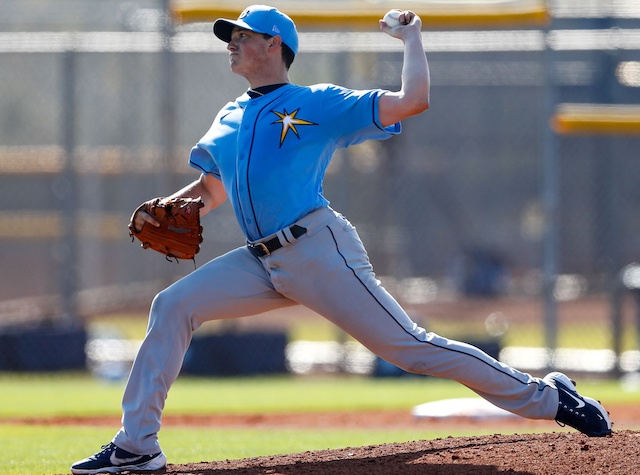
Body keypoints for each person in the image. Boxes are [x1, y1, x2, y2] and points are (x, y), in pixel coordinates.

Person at [71, 5, 611, 474]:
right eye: (228, 37)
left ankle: (551, 398)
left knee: (412, 349)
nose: (232, 43)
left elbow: (412, 100)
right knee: (173, 306)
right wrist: (176, 204)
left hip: (318, 249)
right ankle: (136, 447)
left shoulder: (318, 101)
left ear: (274, 44)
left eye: (242, 35)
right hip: (262, 261)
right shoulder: (230, 115)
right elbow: (214, 188)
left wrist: (412, 39)